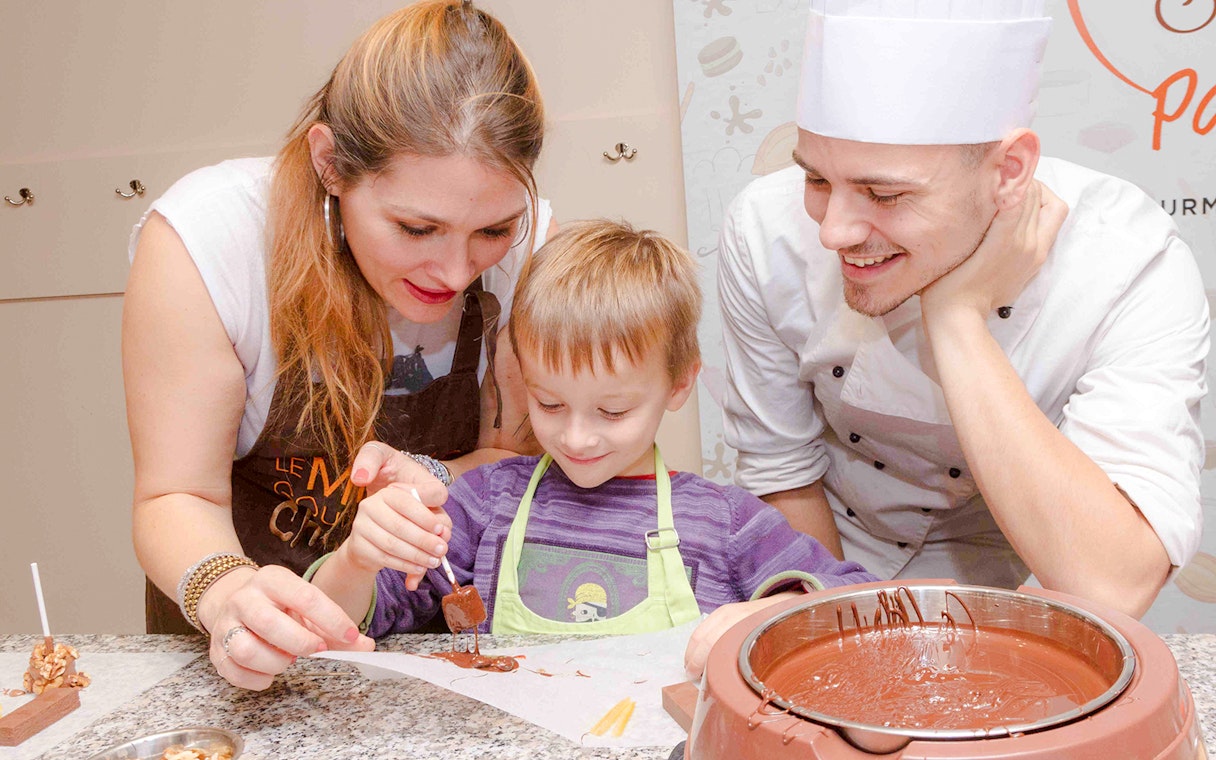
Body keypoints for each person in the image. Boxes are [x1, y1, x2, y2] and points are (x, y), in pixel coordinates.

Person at [718, 0, 1208, 621]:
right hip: (820, 557)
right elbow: (784, 470)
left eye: (884, 193)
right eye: (816, 180)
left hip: (1019, 577)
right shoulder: (765, 232)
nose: (834, 231)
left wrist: (955, 318)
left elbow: (1110, 584)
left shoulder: (1126, 262)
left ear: (1009, 170)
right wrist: (845, 637)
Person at [123, 0, 554, 690]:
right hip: (236, 660)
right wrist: (230, 595)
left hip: (424, 661)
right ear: (330, 164)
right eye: (416, 229)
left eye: (493, 231)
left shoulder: (530, 249)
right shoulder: (209, 242)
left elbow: (510, 462)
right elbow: (176, 493)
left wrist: (435, 478)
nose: (456, 271)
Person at [308, 220, 877, 644]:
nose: (577, 438)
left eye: (612, 412)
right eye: (550, 403)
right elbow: (350, 620)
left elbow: (857, 607)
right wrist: (359, 558)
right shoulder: (486, 505)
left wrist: (769, 615)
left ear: (679, 384)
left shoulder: (723, 522)